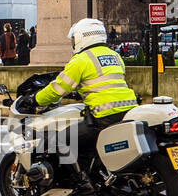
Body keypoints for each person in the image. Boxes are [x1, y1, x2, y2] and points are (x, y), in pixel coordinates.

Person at [32, 18, 139, 183]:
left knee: (60, 139)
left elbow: (57, 89)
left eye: (74, 38)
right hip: (128, 112)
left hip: (104, 115)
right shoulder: (115, 56)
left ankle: (83, 182)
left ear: (82, 37)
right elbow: (105, 84)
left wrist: (35, 99)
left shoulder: (81, 60)